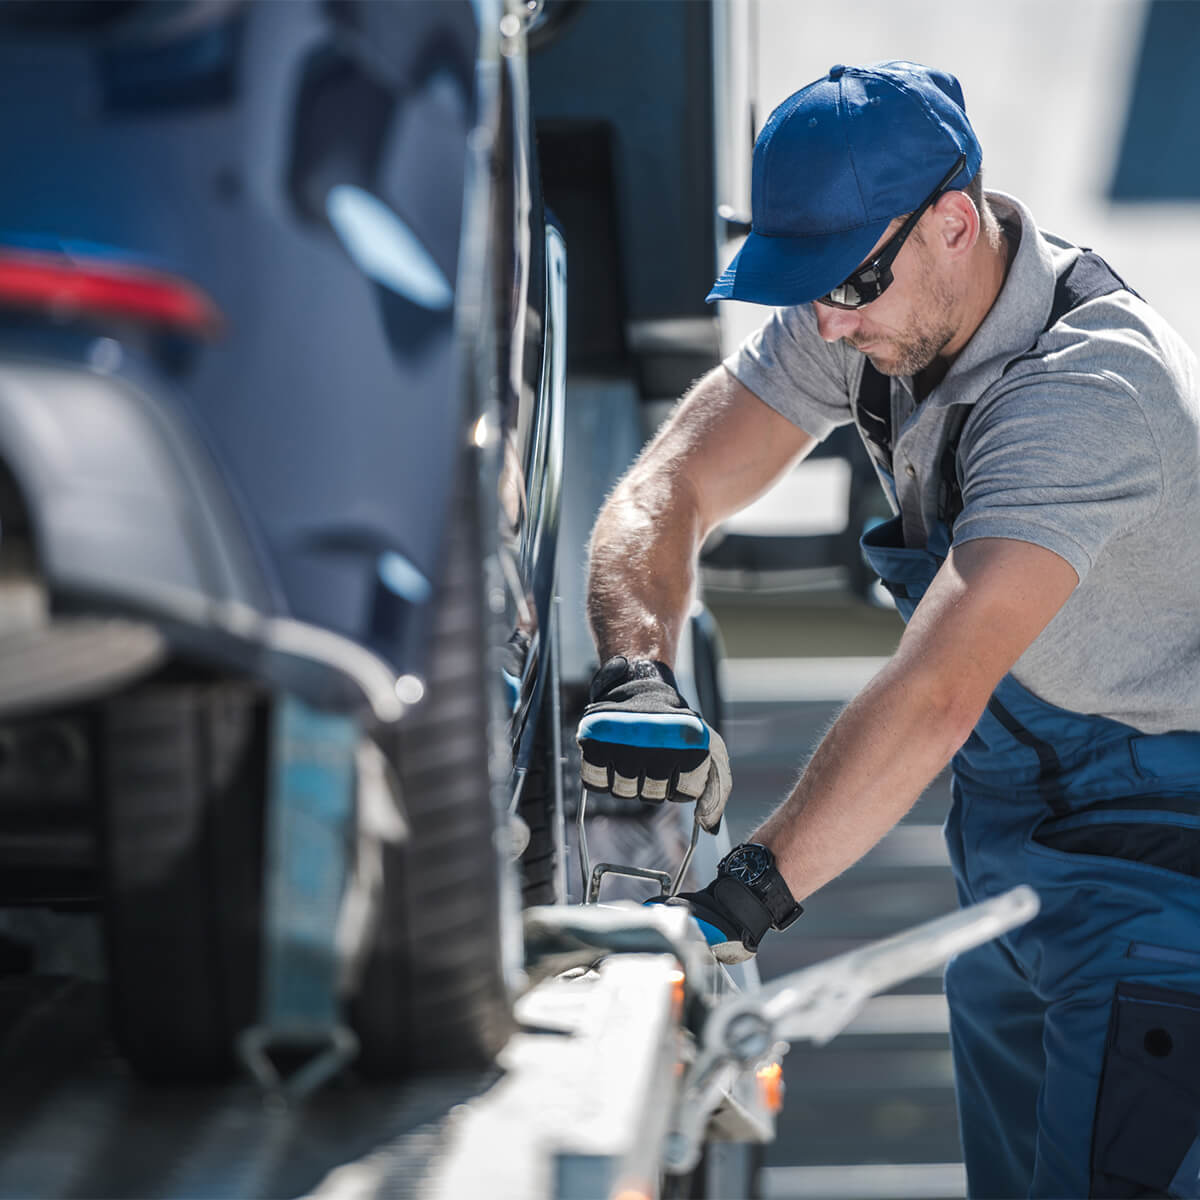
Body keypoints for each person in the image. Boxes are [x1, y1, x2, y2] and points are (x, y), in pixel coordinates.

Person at [574, 60, 1200, 1199]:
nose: (826, 318)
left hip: (1161, 871)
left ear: (956, 224)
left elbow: (937, 695)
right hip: (1013, 845)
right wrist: (638, 679)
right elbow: (665, 495)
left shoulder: (1091, 397)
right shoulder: (872, 304)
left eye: (849, 283)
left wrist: (738, 906)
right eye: (804, 286)